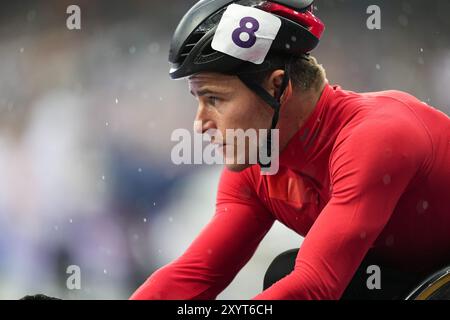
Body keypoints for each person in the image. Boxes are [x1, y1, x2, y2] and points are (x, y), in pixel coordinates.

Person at [130, 0, 450, 299]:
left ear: (277, 87)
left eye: (214, 99)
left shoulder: (377, 137)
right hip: (414, 276)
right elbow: (194, 276)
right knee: (285, 270)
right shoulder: (256, 166)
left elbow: (314, 286)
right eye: (197, 100)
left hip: (433, 274)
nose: (199, 124)